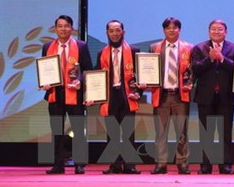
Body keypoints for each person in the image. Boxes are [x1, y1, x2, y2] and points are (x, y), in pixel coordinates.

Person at [42, 15, 93, 174]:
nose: (63, 29)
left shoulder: (81, 46)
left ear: (72, 28)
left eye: (66, 26)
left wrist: (80, 81)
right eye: (60, 26)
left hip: (75, 93)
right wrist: (45, 82)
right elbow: (44, 69)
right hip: (55, 94)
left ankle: (79, 164)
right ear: (55, 29)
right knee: (57, 130)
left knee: (78, 129)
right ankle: (58, 164)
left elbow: (87, 70)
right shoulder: (47, 47)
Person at [191, 19, 234, 175]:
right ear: (208, 31)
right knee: (206, 133)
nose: (217, 32)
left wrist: (222, 58)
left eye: (220, 29)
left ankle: (225, 166)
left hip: (226, 97)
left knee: (225, 133)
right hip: (205, 97)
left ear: (226, 32)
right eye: (213, 29)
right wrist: (210, 59)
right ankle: (205, 166)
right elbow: (195, 69)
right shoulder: (199, 48)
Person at [93, 20, 141, 174]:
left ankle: (129, 165)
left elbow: (140, 75)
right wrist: (92, 93)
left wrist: (139, 91)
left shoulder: (134, 50)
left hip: (128, 94)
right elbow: (96, 75)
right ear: (107, 33)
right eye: (111, 31)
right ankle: (114, 165)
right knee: (112, 132)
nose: (115, 33)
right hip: (110, 95)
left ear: (123, 32)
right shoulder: (101, 53)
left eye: (118, 30)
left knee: (128, 132)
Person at [147, 17, 193, 175]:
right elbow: (149, 69)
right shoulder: (154, 47)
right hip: (162, 95)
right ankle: (161, 163)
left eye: (175, 28)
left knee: (182, 132)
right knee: (160, 133)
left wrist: (190, 83)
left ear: (180, 30)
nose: (171, 30)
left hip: (180, 95)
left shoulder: (189, 48)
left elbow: (192, 72)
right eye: (168, 28)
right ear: (164, 30)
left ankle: (182, 163)